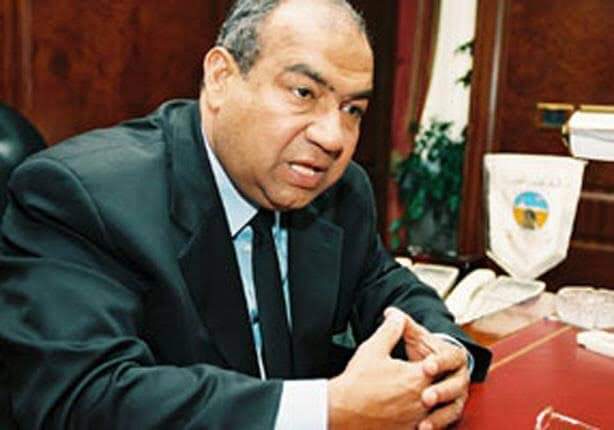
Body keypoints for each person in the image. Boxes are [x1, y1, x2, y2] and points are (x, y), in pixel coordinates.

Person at [0, 0, 491, 428]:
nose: (333, 138)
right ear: (220, 78)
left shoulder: (339, 191)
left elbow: (381, 283)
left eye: (352, 110)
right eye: (303, 93)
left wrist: (445, 353)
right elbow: (80, 396)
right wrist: (325, 410)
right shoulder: (83, 196)